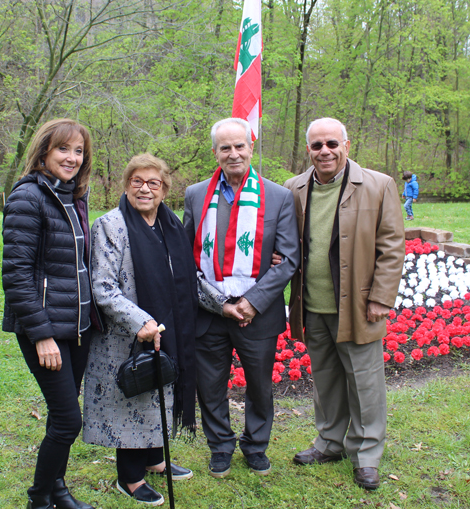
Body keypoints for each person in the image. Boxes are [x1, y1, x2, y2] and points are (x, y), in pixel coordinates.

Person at [283, 117, 405, 490]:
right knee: (326, 380)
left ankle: (366, 454)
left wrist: (382, 298)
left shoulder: (377, 185)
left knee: (365, 382)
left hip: (358, 306)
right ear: (308, 150)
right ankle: (329, 442)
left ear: (346, 146)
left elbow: (392, 247)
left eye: (332, 144)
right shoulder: (293, 189)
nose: (325, 151)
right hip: (313, 304)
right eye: (317, 145)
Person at [183, 118, 300, 478]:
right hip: (210, 310)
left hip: (256, 313)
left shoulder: (278, 196)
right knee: (210, 385)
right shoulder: (196, 194)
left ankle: (255, 445)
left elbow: (289, 258)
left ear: (251, 147)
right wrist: (219, 304)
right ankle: (219, 446)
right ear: (215, 152)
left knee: (260, 386)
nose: (233, 154)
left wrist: (250, 302)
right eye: (225, 147)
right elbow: (186, 255)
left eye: (239, 146)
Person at [83, 153, 197, 506]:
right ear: (126, 185)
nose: (145, 189)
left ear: (164, 190)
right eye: (137, 182)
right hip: (125, 335)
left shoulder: (170, 224)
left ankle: (154, 458)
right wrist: (140, 322)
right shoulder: (111, 225)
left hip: (166, 328)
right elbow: (102, 287)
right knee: (133, 397)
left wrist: (224, 303)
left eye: (153, 183)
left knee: (158, 393)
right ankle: (129, 478)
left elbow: (186, 277)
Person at [2, 119, 97, 509]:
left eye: (78, 151)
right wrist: (41, 335)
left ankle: (57, 488)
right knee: (69, 421)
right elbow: (17, 275)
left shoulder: (74, 196)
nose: (72, 158)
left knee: (61, 417)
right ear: (44, 151)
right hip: (46, 329)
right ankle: (39, 499)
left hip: (77, 326)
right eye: (63, 149)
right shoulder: (28, 197)